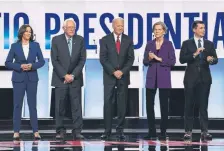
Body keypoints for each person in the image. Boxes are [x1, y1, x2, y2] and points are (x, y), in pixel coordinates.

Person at [179, 20, 218, 141]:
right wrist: (195, 54)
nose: (203, 30)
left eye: (204, 28)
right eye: (201, 28)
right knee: (189, 105)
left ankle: (205, 131)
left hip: (205, 78)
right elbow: (181, 59)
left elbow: (215, 59)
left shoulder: (209, 44)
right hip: (191, 78)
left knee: (203, 105)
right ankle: (188, 132)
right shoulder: (186, 43)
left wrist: (211, 59)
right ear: (194, 30)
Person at [5, 24, 45, 140]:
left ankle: (35, 131)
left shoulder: (35, 45)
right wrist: (20, 66)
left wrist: (32, 66)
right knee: (17, 105)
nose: (28, 33)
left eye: (30, 32)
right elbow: (8, 62)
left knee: (32, 105)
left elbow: (41, 61)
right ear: (22, 33)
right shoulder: (14, 46)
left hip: (32, 78)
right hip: (18, 78)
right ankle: (16, 131)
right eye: (27, 31)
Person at [51, 18, 86, 140]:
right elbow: (54, 60)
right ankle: (60, 130)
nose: (72, 29)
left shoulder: (80, 40)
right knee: (60, 106)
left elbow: (82, 60)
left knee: (76, 106)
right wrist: (64, 75)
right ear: (64, 28)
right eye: (70, 27)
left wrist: (72, 76)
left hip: (75, 79)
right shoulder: (56, 40)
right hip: (60, 79)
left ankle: (77, 131)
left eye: (74, 28)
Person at [100, 17, 134, 140]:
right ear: (113, 26)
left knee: (122, 104)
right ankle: (107, 130)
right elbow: (103, 59)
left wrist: (122, 71)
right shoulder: (105, 40)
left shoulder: (128, 40)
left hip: (123, 77)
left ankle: (120, 131)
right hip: (109, 76)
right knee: (108, 103)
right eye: (118, 25)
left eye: (122, 26)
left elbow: (131, 59)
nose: (121, 28)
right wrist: (114, 71)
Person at [143, 21, 176, 140]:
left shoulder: (168, 44)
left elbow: (172, 62)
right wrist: (148, 57)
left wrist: (157, 58)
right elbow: (145, 62)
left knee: (163, 106)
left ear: (164, 31)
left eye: (159, 29)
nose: (157, 31)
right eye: (155, 29)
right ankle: (151, 132)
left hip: (164, 78)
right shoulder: (149, 44)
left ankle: (163, 132)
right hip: (151, 79)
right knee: (149, 106)